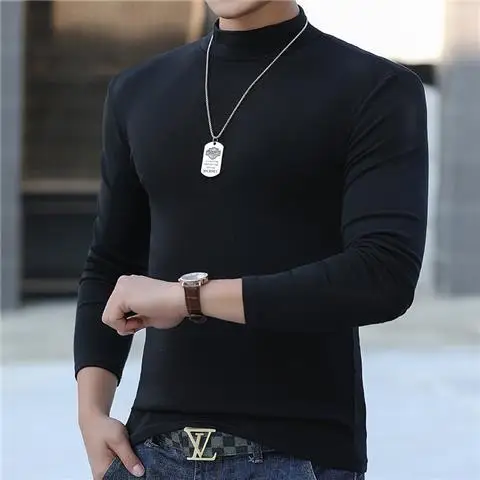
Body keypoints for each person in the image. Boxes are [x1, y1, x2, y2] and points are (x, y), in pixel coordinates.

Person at [74, 1, 429, 479]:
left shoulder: (376, 87)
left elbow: (382, 274)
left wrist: (189, 298)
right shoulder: (137, 90)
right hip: (151, 454)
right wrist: (91, 413)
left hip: (297, 453)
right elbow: (109, 262)